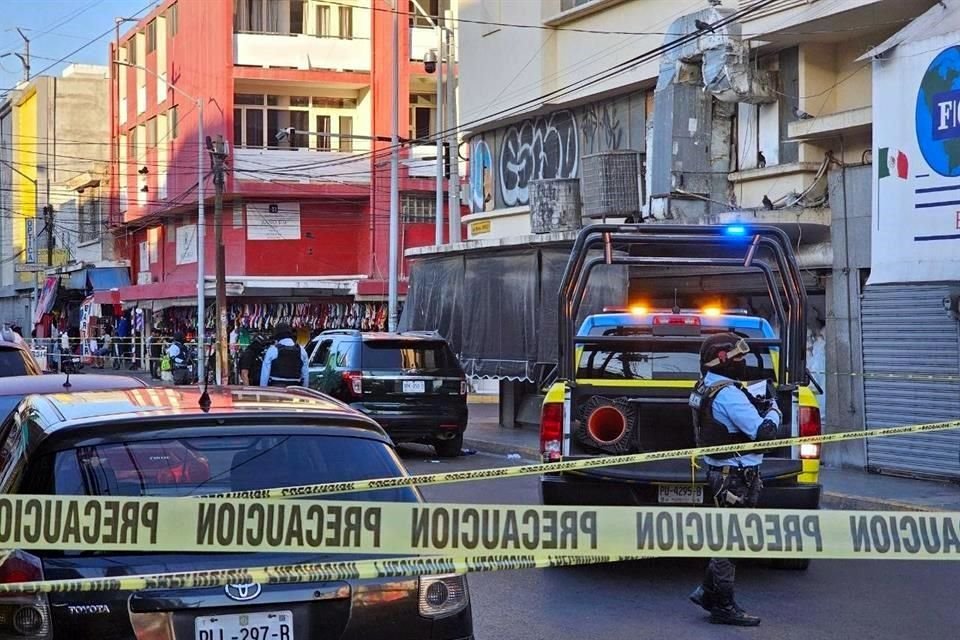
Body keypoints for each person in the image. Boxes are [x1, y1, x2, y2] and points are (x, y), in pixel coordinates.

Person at [687, 332, 782, 627]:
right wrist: (773, 408)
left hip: (722, 472)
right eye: (739, 357)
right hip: (736, 477)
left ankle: (706, 592)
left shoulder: (705, 385)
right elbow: (764, 433)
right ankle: (723, 606)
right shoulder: (728, 394)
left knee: (728, 537)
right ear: (722, 360)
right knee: (732, 542)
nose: (743, 362)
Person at [259, 324, 308, 388]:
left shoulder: (272, 350)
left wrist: (263, 390)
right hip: (295, 389)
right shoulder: (302, 351)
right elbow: (305, 375)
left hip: (276, 389)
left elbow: (265, 376)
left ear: (277, 336)